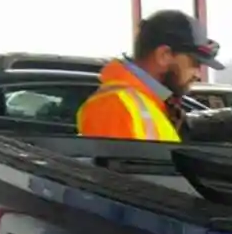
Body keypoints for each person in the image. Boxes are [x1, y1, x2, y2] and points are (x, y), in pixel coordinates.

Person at [76, 9, 223, 142]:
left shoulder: (148, 103)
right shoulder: (114, 106)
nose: (198, 74)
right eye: (194, 63)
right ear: (164, 55)